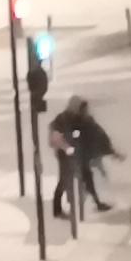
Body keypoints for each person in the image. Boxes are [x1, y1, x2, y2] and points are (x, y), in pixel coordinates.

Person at [53, 91, 119, 224]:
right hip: (66, 155)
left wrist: (111, 151)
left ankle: (96, 203)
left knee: (87, 177)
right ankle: (58, 209)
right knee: (64, 180)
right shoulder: (63, 119)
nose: (85, 111)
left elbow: (98, 134)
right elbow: (57, 137)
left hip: (80, 154)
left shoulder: (85, 120)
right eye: (82, 109)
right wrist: (67, 148)